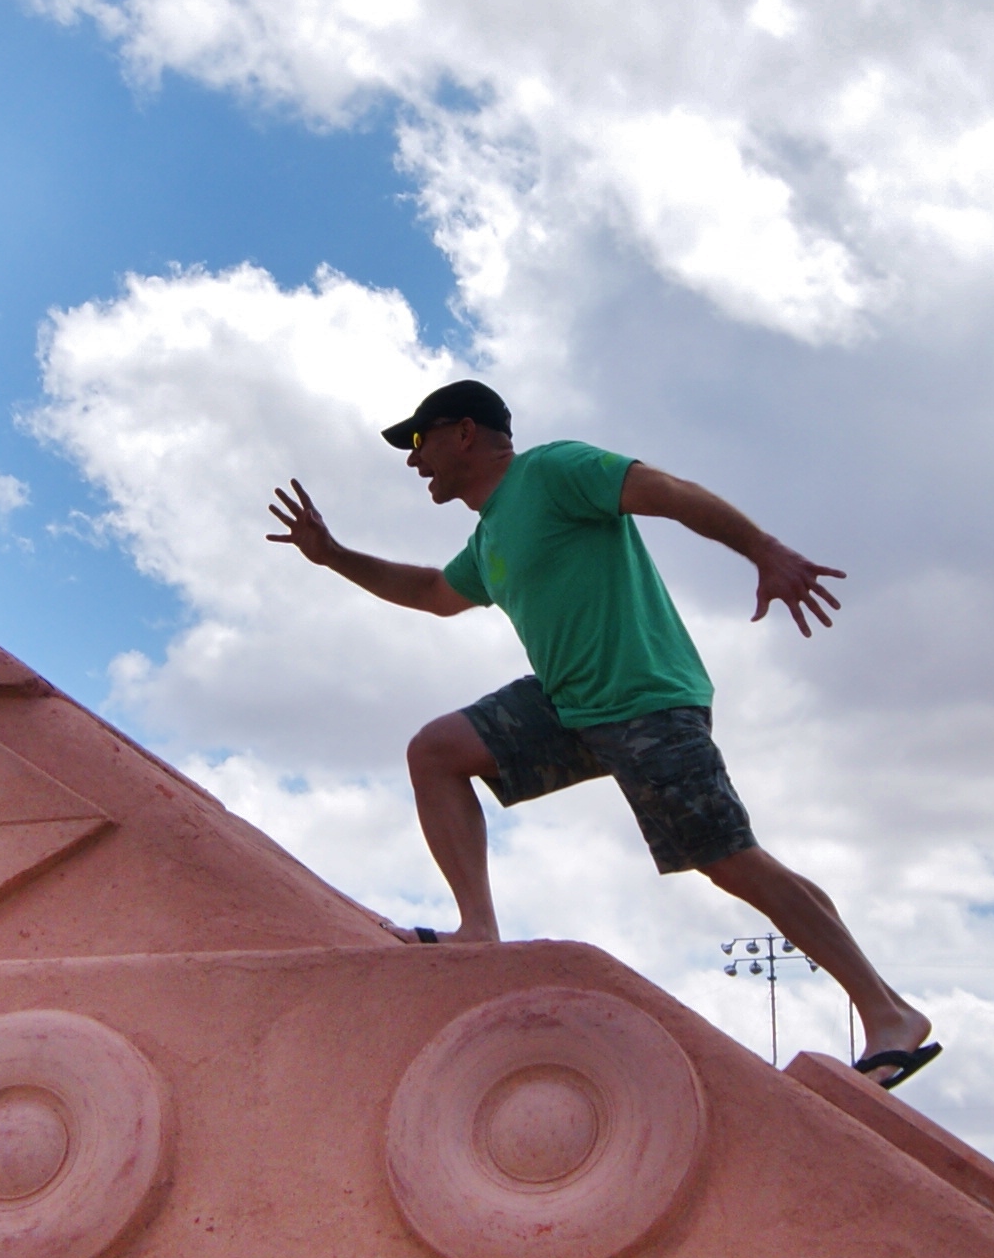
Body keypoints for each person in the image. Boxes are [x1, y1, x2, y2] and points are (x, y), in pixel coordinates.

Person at [267, 378, 939, 1087]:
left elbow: (672, 493)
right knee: (436, 752)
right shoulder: (492, 533)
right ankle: (477, 928)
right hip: (569, 707)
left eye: (416, 441)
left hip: (645, 698)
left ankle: (887, 1011)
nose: (411, 460)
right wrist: (334, 555)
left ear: (464, 432)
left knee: (730, 859)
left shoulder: (553, 471)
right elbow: (436, 595)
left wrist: (764, 551)